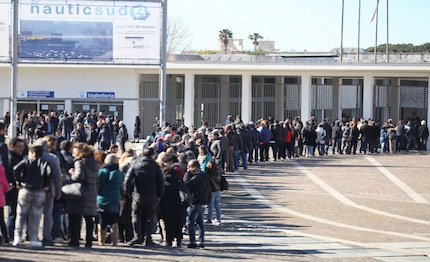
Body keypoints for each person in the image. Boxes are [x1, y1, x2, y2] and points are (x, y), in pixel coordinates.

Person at [124, 147, 164, 246]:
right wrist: (160, 194)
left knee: (136, 214)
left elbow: (127, 180)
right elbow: (161, 182)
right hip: (152, 195)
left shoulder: (135, 164)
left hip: (138, 194)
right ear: (153, 155)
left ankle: (138, 235)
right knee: (151, 216)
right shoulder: (155, 166)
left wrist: (127, 193)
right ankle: (148, 238)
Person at [13, 145, 51, 248]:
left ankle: (17, 237)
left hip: (25, 189)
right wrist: (46, 184)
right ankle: (33, 239)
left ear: (33, 153)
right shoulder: (44, 163)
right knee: (36, 216)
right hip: (40, 191)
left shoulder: (26, 161)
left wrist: (19, 181)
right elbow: (49, 172)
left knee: (20, 214)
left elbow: (16, 169)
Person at [66, 142, 99, 247]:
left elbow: (79, 176)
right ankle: (89, 241)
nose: (73, 153)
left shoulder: (80, 162)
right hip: (92, 191)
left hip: (81, 192)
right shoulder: (94, 163)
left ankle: (74, 239)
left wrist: (71, 173)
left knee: (75, 216)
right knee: (89, 218)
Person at [159, 153, 187, 247]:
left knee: (168, 225)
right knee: (178, 225)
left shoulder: (163, 181)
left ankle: (168, 241)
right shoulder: (178, 180)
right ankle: (178, 241)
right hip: (179, 206)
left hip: (166, 207)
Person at [97, 154, 125, 246]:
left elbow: (98, 185)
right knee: (114, 222)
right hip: (115, 198)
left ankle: (101, 241)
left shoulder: (101, 172)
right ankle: (115, 242)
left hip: (102, 199)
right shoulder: (120, 174)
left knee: (102, 222)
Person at [184, 159, 211, 249]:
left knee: (190, 222)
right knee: (200, 222)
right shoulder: (204, 175)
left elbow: (186, 183)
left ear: (195, 167)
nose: (188, 168)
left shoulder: (197, 177)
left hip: (196, 201)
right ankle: (201, 241)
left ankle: (193, 242)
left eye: (190, 167)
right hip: (203, 201)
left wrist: (187, 173)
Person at [5, 138, 24, 241]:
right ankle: (9, 235)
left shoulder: (18, 157)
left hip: (15, 188)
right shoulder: (11, 158)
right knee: (13, 213)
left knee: (14, 212)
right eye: (19, 147)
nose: (21, 149)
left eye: (22, 146)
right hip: (13, 188)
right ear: (12, 147)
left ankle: (10, 234)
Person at [206, 160, 222, 226]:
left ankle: (209, 219)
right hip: (218, 190)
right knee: (217, 205)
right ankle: (218, 218)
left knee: (210, 206)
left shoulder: (208, 174)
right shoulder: (218, 173)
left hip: (212, 191)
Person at [0, 163, 10, 245]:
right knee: (1, 220)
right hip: (0, 200)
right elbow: (5, 185)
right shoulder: (1, 169)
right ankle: (6, 239)